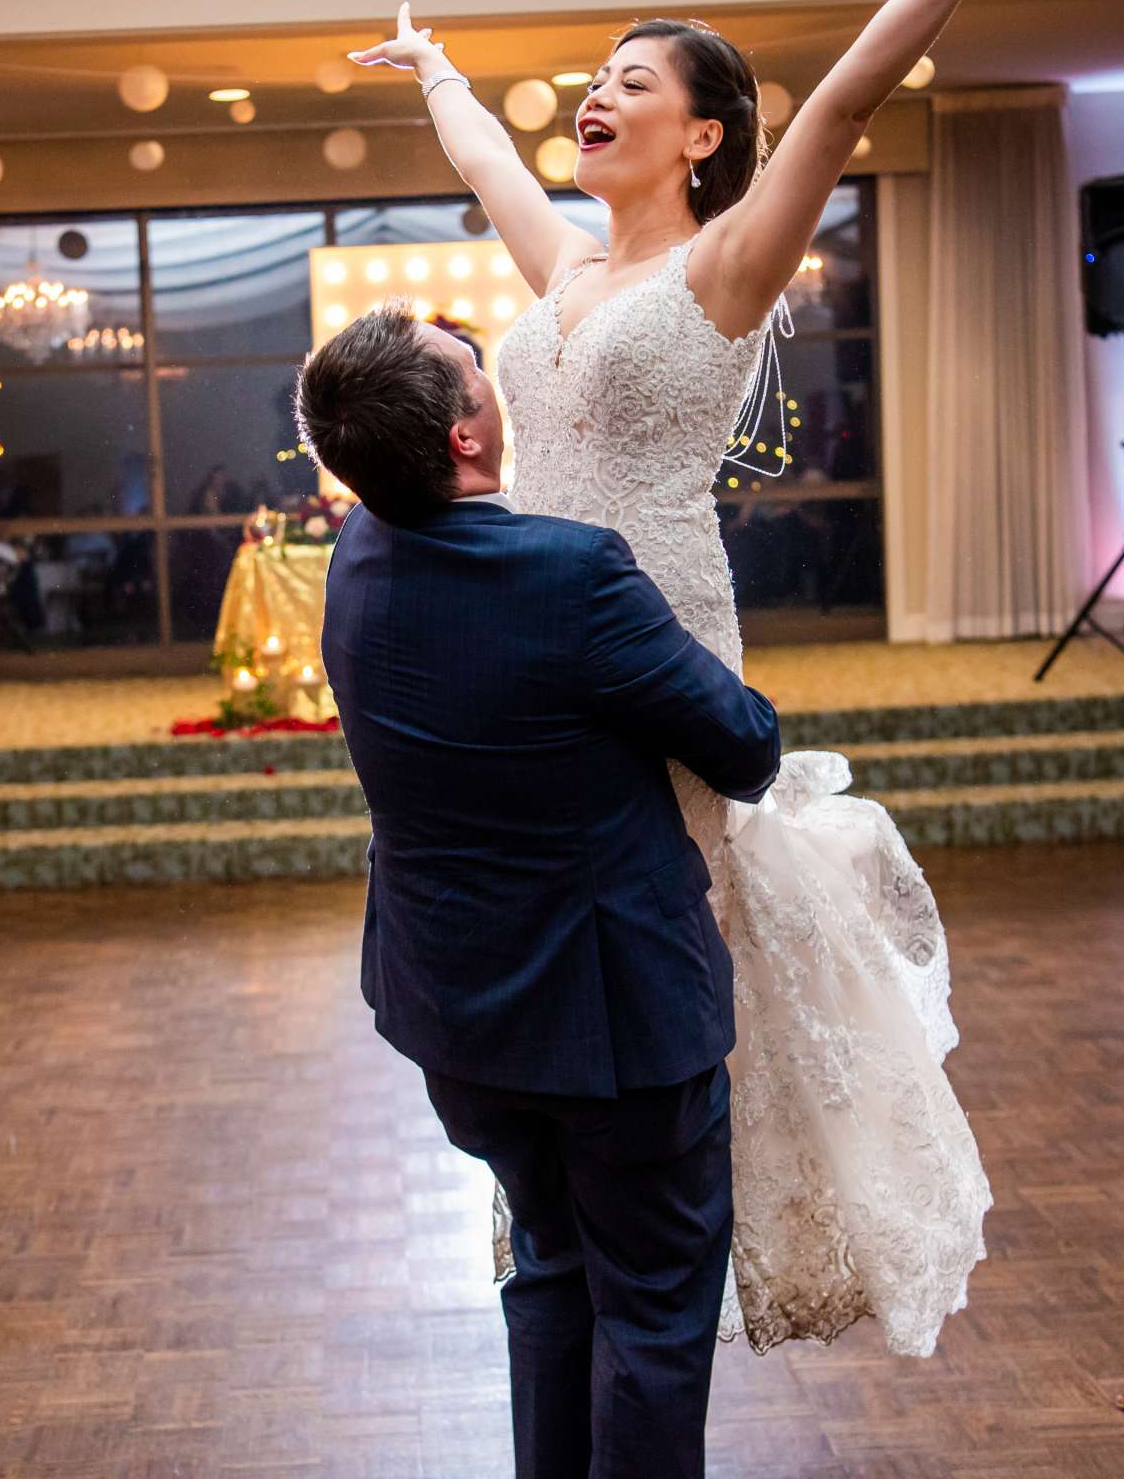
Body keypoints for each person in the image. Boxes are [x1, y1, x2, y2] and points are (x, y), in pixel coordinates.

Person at [344, 0, 1116, 1366]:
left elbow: (840, 101)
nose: (595, 97)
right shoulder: (567, 268)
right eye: (595, 80)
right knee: (556, 914)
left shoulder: (725, 269)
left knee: (655, 936)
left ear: (703, 134)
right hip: (527, 638)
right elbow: (489, 157)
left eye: (633, 82)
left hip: (651, 634)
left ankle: (659, 1229)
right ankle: (575, 1225)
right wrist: (434, 68)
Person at [300, 302, 782, 1475]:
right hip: (610, 1021)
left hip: (457, 1017)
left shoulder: (355, 556)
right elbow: (744, 743)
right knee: (658, 1309)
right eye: (478, 372)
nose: (492, 379)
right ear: (468, 437)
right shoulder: (568, 574)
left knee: (553, 1267)